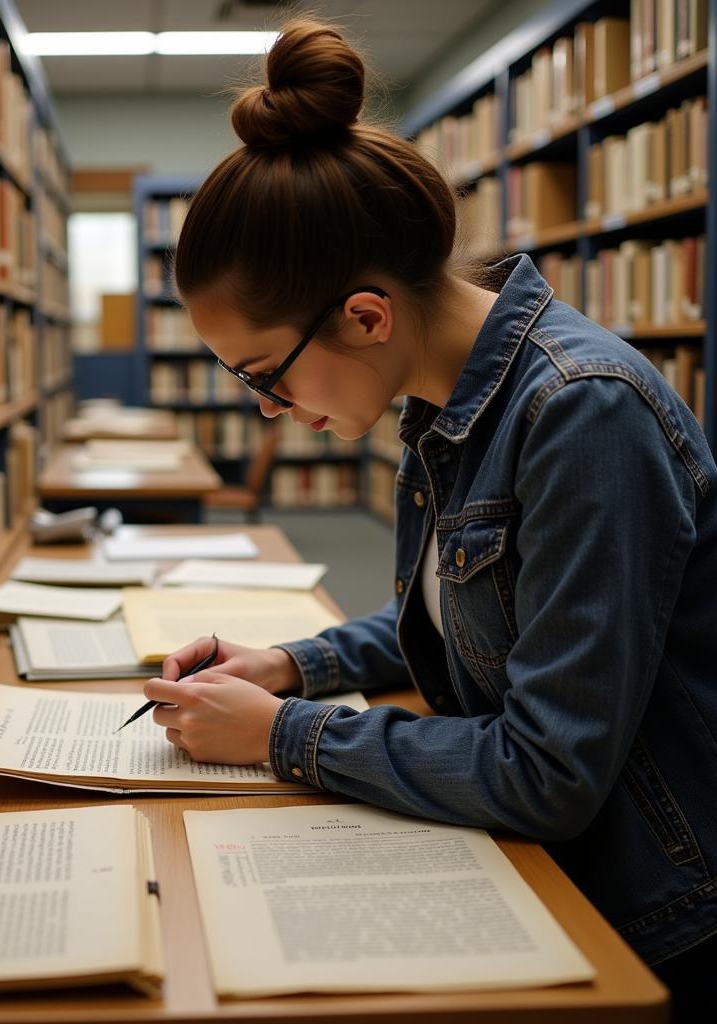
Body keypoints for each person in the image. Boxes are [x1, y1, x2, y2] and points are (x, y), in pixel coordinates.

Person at [140, 18, 717, 1020]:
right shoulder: (449, 401)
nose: (266, 413)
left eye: (263, 377)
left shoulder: (581, 412)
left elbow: (549, 772)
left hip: (651, 913)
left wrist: (284, 734)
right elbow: (474, 614)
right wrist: (292, 664)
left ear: (364, 315)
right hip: (549, 869)